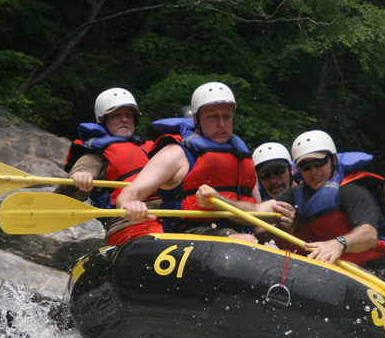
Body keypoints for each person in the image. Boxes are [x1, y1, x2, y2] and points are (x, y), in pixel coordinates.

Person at [117, 82, 294, 240]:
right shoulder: (175, 154)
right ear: (196, 119)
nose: (222, 124)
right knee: (244, 241)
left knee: (259, 232)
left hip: (241, 235)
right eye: (213, 116)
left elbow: (254, 217)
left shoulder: (241, 157)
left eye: (227, 116)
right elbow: (129, 193)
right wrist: (131, 205)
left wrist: (279, 225)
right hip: (188, 235)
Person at [273, 130, 385, 275]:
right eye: (306, 167)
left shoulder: (352, 191)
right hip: (334, 272)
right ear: (299, 169)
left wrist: (338, 243)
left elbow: (369, 235)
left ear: (334, 160)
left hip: (377, 267)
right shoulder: (295, 195)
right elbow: (261, 210)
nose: (314, 171)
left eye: (319, 162)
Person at [54, 87, 165, 245]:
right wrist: (75, 183)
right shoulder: (95, 157)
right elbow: (63, 202)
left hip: (172, 219)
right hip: (131, 225)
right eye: (117, 115)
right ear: (104, 121)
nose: (124, 119)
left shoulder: (155, 148)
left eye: (128, 115)